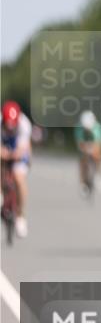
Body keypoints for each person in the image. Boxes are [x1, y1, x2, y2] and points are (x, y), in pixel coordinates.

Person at [0, 101, 32, 237]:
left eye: (13, 127)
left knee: (19, 179)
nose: (10, 129)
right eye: (7, 126)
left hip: (18, 147)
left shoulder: (25, 124)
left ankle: (20, 216)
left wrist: (15, 155)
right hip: (3, 145)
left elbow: (23, 148)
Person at [75, 110, 101, 193]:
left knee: (98, 156)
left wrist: (94, 150)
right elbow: (79, 143)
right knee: (82, 160)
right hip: (84, 144)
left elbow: (99, 144)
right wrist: (85, 150)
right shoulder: (78, 128)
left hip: (94, 143)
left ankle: (99, 175)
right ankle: (82, 182)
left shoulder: (97, 127)